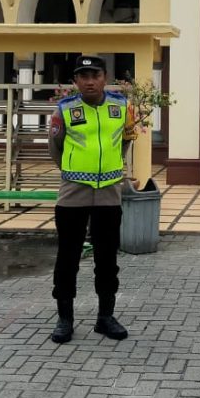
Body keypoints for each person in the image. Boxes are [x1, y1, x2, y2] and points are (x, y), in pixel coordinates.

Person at [47, 54, 135, 344]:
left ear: (104, 78)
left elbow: (124, 141)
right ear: (75, 81)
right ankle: (64, 318)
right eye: (83, 76)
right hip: (74, 192)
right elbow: (55, 148)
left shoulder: (121, 107)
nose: (89, 81)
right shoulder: (64, 110)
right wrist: (75, 171)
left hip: (110, 192)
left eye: (95, 75)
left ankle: (105, 317)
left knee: (107, 259)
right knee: (68, 258)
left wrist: (112, 168)